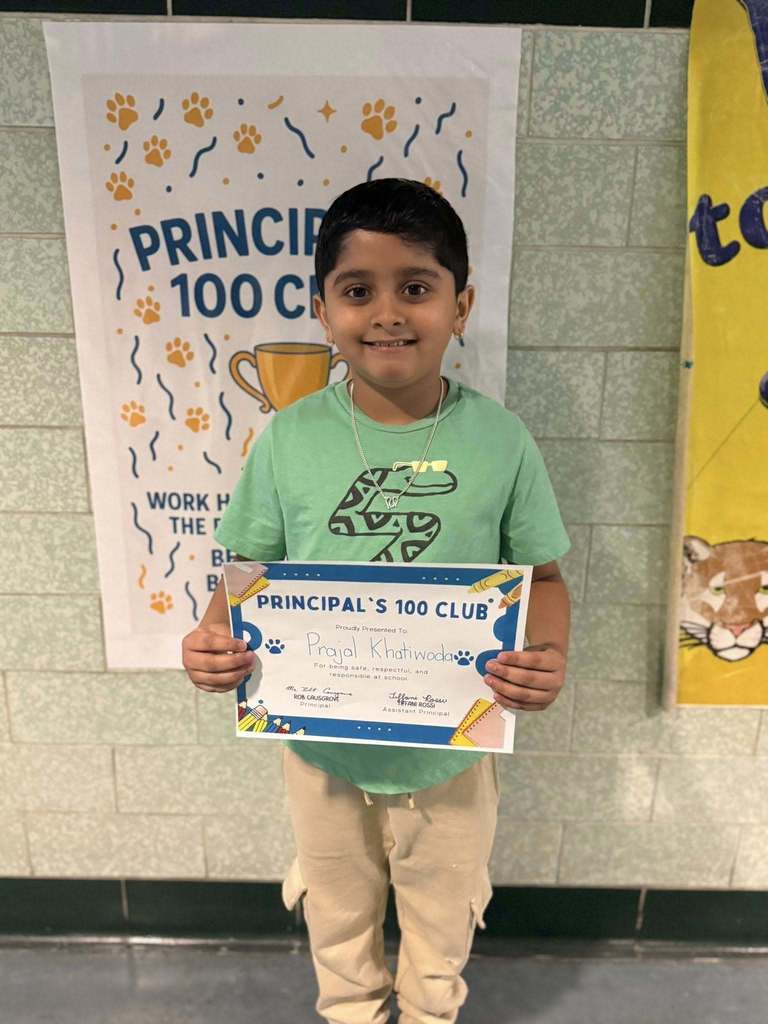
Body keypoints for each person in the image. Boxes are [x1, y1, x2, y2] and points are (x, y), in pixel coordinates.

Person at [182, 177, 571, 1024]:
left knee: (441, 930)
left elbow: (541, 578)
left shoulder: (500, 440)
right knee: (338, 919)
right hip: (321, 747)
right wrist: (213, 638)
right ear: (322, 310)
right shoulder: (289, 438)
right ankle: (351, 1013)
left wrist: (546, 657)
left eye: (417, 288)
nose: (388, 312)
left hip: (452, 750)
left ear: (460, 305)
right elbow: (251, 568)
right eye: (358, 291)